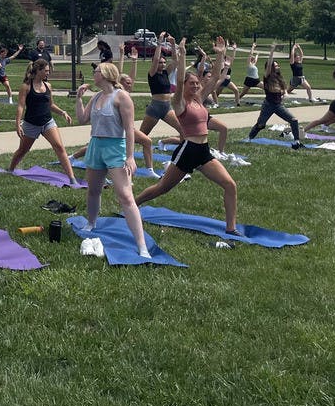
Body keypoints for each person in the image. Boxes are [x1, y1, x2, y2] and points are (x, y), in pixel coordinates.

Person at [135, 37, 239, 235]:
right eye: (191, 84)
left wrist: (219, 54)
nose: (195, 86)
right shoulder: (179, 103)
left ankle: (231, 228)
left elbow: (216, 76)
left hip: (204, 151)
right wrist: (181, 55)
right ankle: (133, 203)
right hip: (188, 150)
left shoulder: (199, 99)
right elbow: (181, 79)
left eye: (196, 83)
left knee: (230, 185)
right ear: (185, 85)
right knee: (162, 188)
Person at [74, 61, 151, 257]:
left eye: (97, 71)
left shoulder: (121, 97)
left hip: (115, 148)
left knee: (125, 196)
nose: (94, 74)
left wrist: (131, 156)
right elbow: (82, 119)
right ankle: (91, 223)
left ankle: (142, 245)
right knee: (93, 190)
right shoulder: (97, 96)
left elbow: (129, 129)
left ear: (106, 74)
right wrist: (79, 99)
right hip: (95, 147)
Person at [7, 58, 78, 184]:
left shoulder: (48, 86)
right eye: (46, 71)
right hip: (31, 124)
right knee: (23, 150)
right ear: (38, 70)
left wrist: (63, 112)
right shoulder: (26, 86)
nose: (48, 73)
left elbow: (51, 105)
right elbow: (21, 106)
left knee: (60, 147)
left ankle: (72, 178)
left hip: (47, 122)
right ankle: (11, 170)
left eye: (48, 71)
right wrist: (17, 124)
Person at [137, 33, 183, 179]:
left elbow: (175, 61)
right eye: (160, 63)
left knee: (183, 131)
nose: (162, 64)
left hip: (167, 108)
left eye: (164, 62)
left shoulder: (165, 73)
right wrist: (159, 43)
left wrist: (173, 44)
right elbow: (156, 59)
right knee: (141, 137)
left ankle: (182, 159)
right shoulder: (152, 74)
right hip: (154, 109)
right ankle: (123, 154)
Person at [246, 44, 304, 149]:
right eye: (276, 66)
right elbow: (268, 65)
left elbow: (284, 88)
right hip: (268, 105)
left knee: (294, 120)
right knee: (261, 125)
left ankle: (296, 142)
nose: (278, 67)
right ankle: (249, 138)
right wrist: (272, 51)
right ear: (272, 67)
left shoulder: (279, 77)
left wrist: (285, 93)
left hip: (278, 105)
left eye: (278, 65)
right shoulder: (268, 76)